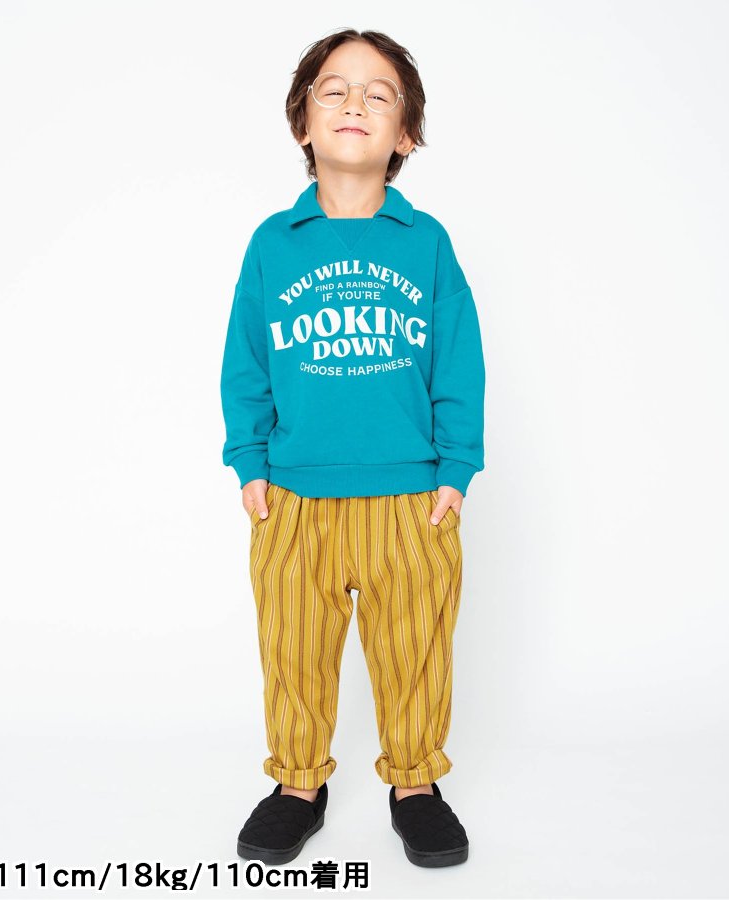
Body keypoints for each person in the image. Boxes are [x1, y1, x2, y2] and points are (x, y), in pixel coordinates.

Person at [220, 28, 486, 869]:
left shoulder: (425, 242)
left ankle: (416, 784)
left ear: (405, 133)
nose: (354, 104)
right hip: (295, 498)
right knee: (294, 648)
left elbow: (458, 361)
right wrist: (249, 462)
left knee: (415, 648)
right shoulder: (275, 243)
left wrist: (456, 469)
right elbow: (246, 362)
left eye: (379, 94)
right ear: (303, 120)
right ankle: (298, 784)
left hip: (411, 498)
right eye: (333, 89)